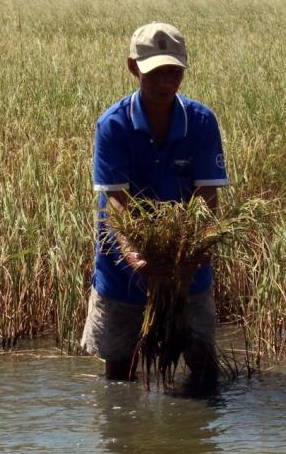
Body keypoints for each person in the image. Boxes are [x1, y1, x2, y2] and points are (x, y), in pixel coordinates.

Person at [81, 22, 229, 388]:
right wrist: (137, 260)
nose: (166, 83)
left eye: (174, 72)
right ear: (134, 68)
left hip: (186, 262)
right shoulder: (113, 125)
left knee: (202, 360)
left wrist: (197, 247)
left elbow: (207, 197)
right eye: (155, 73)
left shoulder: (201, 121)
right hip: (124, 266)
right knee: (119, 371)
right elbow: (116, 202)